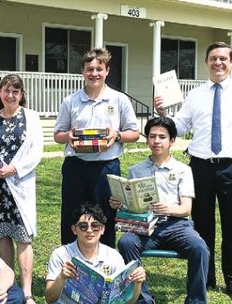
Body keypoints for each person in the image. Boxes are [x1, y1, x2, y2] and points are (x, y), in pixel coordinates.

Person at [154, 42, 232, 293]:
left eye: (223, 58)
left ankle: (231, 280)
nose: (218, 63)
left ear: (230, 63)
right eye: (213, 58)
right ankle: (206, 277)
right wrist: (164, 112)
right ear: (206, 62)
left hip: (231, 166)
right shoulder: (196, 94)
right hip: (200, 167)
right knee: (202, 225)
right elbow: (181, 125)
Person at [110, 117, 209, 303]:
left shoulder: (183, 170)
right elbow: (131, 205)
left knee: (200, 248)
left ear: (172, 140)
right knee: (126, 243)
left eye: (162, 137)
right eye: (152, 136)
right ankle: (143, 299)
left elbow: (186, 209)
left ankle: (196, 301)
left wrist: (168, 209)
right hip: (144, 227)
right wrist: (119, 203)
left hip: (176, 225)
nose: (156, 141)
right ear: (146, 139)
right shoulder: (136, 170)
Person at [54, 48, 140, 248]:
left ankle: (106, 264)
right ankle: (70, 263)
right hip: (75, 167)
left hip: (106, 169)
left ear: (107, 70)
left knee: (104, 217)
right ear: (83, 72)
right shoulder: (71, 101)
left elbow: (134, 133)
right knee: (72, 217)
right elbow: (58, 135)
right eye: (89, 69)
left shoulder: (119, 99)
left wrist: (117, 135)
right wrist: (68, 136)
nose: (94, 73)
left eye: (99, 69)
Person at [0, 74, 43, 304]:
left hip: (19, 185)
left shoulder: (32, 118)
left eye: (15, 91)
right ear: (0, 93)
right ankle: (8, 285)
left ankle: (26, 292)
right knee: (3, 234)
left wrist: (13, 169)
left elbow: (36, 152)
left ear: (21, 94)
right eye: (6, 90)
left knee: (23, 236)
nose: (10, 95)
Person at [44, 204, 145, 304]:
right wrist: (61, 277)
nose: (89, 230)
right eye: (83, 226)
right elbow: (49, 298)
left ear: (102, 229)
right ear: (74, 229)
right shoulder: (61, 255)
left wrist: (137, 284)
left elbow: (127, 302)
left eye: (95, 226)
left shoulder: (114, 257)